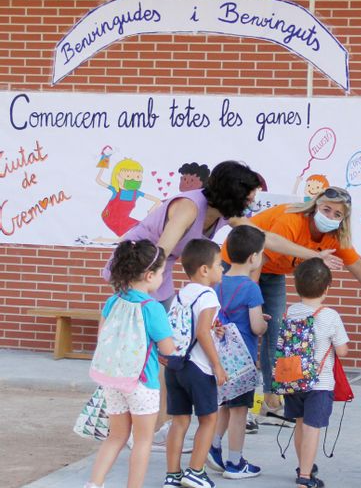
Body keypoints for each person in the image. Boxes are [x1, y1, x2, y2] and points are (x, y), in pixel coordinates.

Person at [103, 161, 336, 450]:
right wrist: (147, 291)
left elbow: (265, 237)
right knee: (153, 351)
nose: (251, 203)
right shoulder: (189, 207)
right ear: (232, 193)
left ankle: (157, 428)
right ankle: (135, 424)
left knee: (166, 354)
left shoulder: (223, 213)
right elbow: (159, 251)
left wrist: (314, 255)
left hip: (158, 272)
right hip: (139, 269)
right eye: (249, 197)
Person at [223, 186, 361, 420]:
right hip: (240, 266)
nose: (330, 217)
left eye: (337, 215)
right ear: (315, 205)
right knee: (243, 328)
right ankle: (234, 399)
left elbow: (354, 262)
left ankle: (271, 398)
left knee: (276, 330)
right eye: (326, 209)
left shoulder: (334, 236)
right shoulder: (292, 221)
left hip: (273, 271)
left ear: (343, 220)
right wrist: (249, 295)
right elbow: (257, 258)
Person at [84, 241, 175, 488]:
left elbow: (103, 336)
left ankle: (94, 483)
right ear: (149, 275)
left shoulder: (113, 301)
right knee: (143, 440)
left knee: (116, 436)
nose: (163, 278)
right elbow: (168, 349)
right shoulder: (152, 307)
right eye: (162, 273)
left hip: (113, 381)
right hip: (143, 382)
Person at [163, 239, 227, 488]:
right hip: (199, 368)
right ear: (204, 269)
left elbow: (193, 328)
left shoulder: (182, 294)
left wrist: (214, 332)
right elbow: (201, 331)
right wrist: (217, 365)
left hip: (175, 366)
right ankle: (196, 471)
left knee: (179, 421)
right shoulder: (209, 294)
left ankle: (173, 475)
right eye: (219, 265)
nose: (222, 269)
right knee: (209, 418)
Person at [282, 258, 350, 488]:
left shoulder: (291, 311)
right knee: (313, 427)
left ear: (297, 286)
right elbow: (342, 350)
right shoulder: (330, 315)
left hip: (293, 379)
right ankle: (305, 477)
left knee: (300, 424)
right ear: (327, 288)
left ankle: (304, 467)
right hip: (319, 383)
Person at [207, 226, 268, 479]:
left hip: (220, 357)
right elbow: (256, 326)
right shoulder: (251, 288)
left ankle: (214, 445)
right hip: (242, 361)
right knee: (240, 411)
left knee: (225, 404)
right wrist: (265, 323)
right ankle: (235, 462)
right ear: (254, 257)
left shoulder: (218, 281)